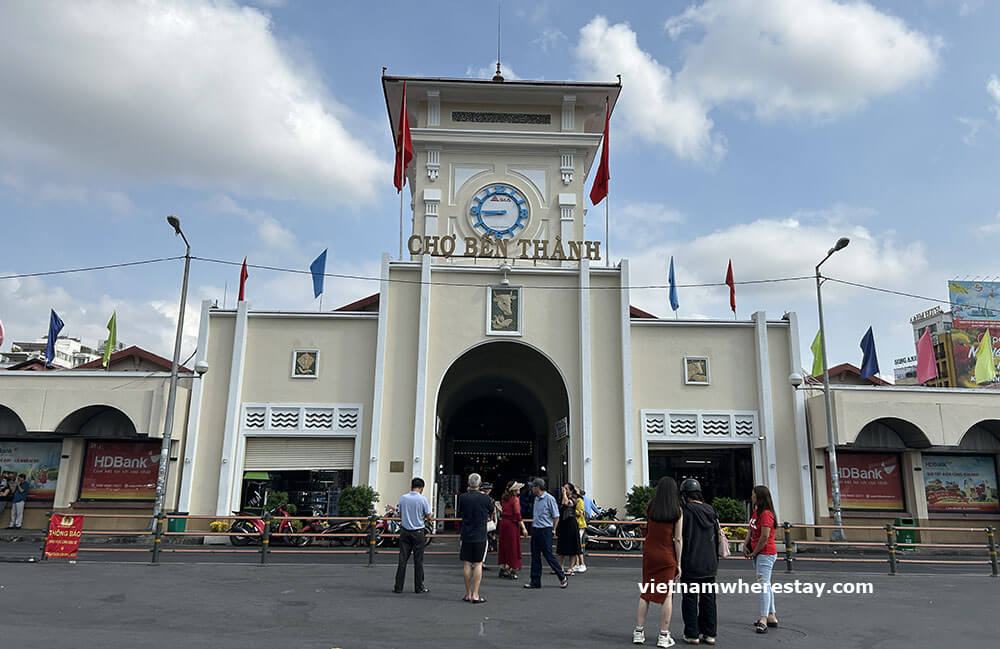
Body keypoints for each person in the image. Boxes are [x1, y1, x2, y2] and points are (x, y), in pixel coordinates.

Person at [635, 476, 683, 648]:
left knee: (646, 592)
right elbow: (677, 539)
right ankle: (663, 635)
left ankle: (638, 632)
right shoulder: (677, 510)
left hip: (650, 552)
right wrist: (679, 563)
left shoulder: (651, 506)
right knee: (667, 594)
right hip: (666, 554)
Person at [679, 479, 720, 645]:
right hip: (710, 563)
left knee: (689, 599)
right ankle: (710, 634)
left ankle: (692, 634)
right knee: (708, 599)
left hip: (690, 563)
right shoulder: (711, 510)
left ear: (684, 495)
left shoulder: (684, 511)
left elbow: (680, 537)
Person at [523, 477, 569, 590]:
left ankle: (562, 576)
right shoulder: (536, 499)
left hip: (545, 529)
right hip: (536, 529)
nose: (531, 489)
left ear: (537, 487)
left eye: (533, 487)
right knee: (535, 556)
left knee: (548, 555)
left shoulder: (549, 499)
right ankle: (535, 581)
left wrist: (553, 529)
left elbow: (556, 516)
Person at [745, 485, 779, 634]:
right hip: (760, 554)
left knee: (763, 585)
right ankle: (771, 615)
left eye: (753, 494)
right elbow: (751, 529)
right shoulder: (756, 512)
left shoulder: (766, 514)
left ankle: (764, 618)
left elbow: (764, 537)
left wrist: (755, 552)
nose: (751, 497)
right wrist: (746, 544)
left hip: (765, 554)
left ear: (758, 497)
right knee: (766, 584)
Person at [457, 473, 494, 603]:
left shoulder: (463, 497)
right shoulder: (485, 498)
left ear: (468, 483)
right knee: (478, 563)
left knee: (467, 563)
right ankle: (476, 594)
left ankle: (467, 593)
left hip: (466, 533)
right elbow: (491, 511)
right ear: (480, 484)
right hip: (480, 534)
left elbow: (459, 512)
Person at [393, 477, 432, 594]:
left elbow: (399, 514)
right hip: (418, 532)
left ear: (411, 486)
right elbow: (429, 516)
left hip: (405, 531)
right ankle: (419, 587)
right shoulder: (422, 499)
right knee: (418, 561)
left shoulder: (403, 498)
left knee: (402, 560)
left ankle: (398, 587)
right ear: (421, 488)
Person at [497, 480, 527, 579]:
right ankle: (512, 568)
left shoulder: (504, 498)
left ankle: (503, 567)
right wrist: (523, 528)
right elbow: (517, 514)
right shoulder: (515, 499)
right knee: (513, 546)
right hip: (511, 525)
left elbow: (505, 510)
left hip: (504, 523)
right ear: (514, 490)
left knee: (504, 545)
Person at [556, 483, 581, 575]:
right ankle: (560, 566)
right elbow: (561, 505)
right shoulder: (561, 499)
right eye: (564, 488)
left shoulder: (574, 499)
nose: (565, 490)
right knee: (561, 546)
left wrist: (564, 494)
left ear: (571, 491)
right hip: (563, 524)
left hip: (571, 525)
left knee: (572, 547)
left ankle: (571, 567)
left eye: (567, 489)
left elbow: (566, 503)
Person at [574, 486, 588, 573]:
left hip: (580, 525)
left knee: (578, 544)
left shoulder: (579, 501)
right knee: (575, 544)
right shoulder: (576, 501)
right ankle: (577, 564)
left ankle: (582, 564)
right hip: (575, 525)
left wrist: (571, 509)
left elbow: (580, 512)